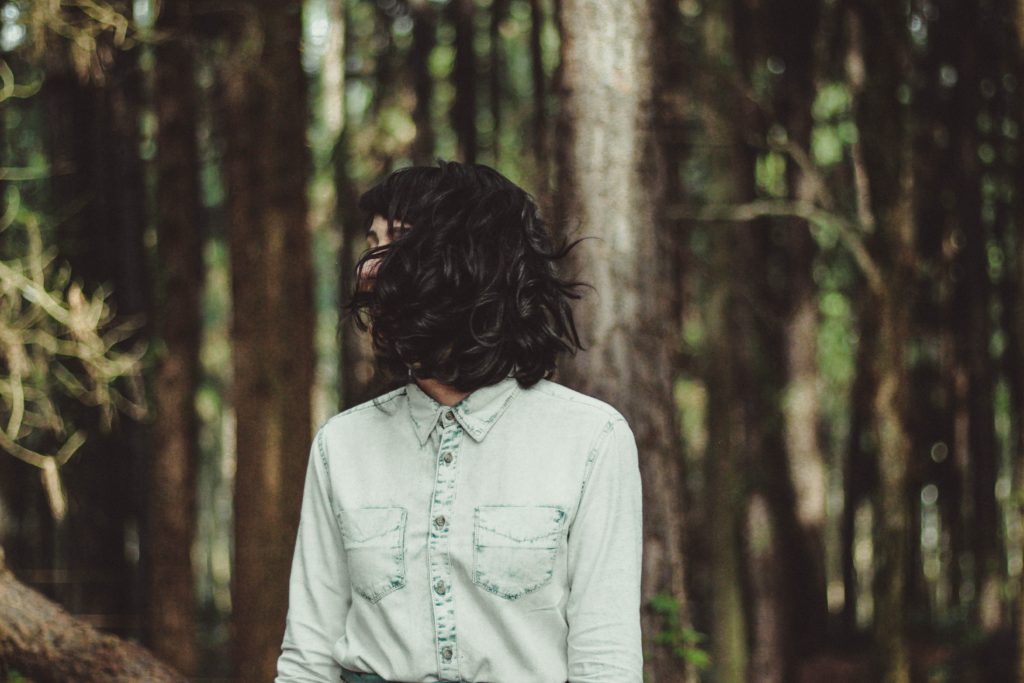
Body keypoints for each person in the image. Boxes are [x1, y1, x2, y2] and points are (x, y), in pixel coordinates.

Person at [275, 159, 643, 683]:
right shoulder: (343, 443)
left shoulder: (590, 439)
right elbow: (308, 659)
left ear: (472, 260)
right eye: (370, 243)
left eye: (395, 242)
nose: (368, 269)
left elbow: (606, 664)